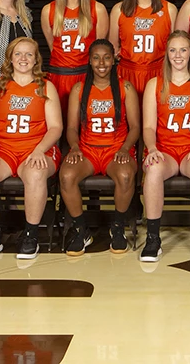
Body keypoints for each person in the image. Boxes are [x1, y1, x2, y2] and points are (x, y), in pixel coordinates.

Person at [0, 37, 63, 260]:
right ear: (10, 59)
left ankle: (30, 235)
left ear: (36, 60)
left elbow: (55, 127)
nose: (23, 59)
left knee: (34, 173)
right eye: (18, 54)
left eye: (29, 54)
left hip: (37, 148)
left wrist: (40, 150)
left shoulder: (45, 85)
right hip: (4, 149)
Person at [139, 31, 190, 263]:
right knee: (153, 169)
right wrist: (152, 149)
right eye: (173, 50)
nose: (178, 55)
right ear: (167, 54)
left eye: (183, 50)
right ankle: (153, 237)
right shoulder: (156, 84)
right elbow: (148, 127)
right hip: (166, 151)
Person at [60, 40, 140, 256]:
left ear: (114, 60)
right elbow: (70, 127)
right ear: (89, 60)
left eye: (106, 57)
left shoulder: (125, 88)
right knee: (66, 176)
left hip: (115, 150)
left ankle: (117, 227)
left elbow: (135, 127)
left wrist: (124, 149)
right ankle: (81, 230)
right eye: (96, 57)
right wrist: (75, 147)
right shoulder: (79, 88)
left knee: (124, 176)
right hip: (87, 150)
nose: (101, 62)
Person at [41, 0, 109, 112]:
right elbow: (52, 46)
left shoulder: (98, 9)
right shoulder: (48, 10)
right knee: (59, 124)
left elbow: (99, 51)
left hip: (86, 74)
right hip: (58, 76)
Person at [109, 0, 178, 96]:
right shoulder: (119, 10)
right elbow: (113, 48)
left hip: (158, 71)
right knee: (128, 116)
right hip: (128, 73)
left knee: (157, 115)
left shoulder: (169, 9)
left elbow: (175, 47)